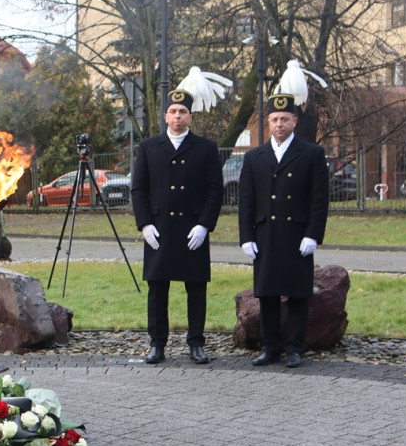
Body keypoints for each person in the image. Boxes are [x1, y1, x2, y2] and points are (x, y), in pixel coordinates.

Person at [131, 89, 224, 364]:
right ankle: (157, 344)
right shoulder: (149, 147)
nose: (178, 116)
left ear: (190, 117)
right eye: (173, 111)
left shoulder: (206, 148)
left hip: (192, 229)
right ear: (165, 116)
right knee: (157, 288)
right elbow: (138, 190)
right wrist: (145, 224)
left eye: (183, 112)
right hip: (159, 229)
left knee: (196, 288)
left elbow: (215, 191)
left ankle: (196, 343)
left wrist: (205, 225)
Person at [238, 93, 329, 368]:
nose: (279, 124)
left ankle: (294, 348)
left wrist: (313, 234)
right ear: (269, 122)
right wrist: (246, 237)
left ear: (294, 121)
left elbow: (319, 199)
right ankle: (271, 347)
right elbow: (246, 201)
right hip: (265, 234)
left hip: (297, 235)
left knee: (297, 293)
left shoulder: (311, 153)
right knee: (267, 294)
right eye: (275, 119)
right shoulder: (255, 157)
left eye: (284, 119)